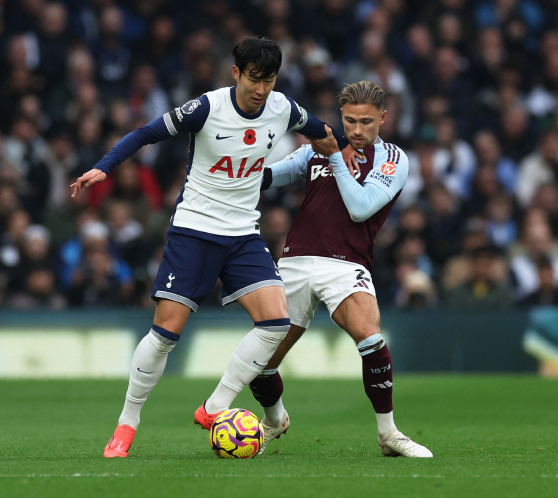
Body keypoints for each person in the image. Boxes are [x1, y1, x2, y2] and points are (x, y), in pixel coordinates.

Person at [70, 37, 350, 458]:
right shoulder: (206, 108)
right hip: (194, 231)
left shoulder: (284, 109)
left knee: (276, 322)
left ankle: (216, 405)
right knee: (165, 334)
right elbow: (146, 133)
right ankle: (127, 424)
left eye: (269, 79)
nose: (261, 88)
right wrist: (102, 167)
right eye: (254, 78)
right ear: (236, 73)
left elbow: (327, 133)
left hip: (242, 234)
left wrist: (339, 151)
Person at [249, 81, 432, 458]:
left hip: (345, 264)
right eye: (350, 121)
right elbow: (271, 176)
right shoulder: (316, 150)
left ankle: (388, 435)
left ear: (383, 117)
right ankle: (273, 420)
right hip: (295, 260)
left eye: (366, 121)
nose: (357, 130)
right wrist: (239, 168)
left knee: (370, 338)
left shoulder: (393, 159)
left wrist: (335, 156)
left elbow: (361, 208)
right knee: (260, 363)